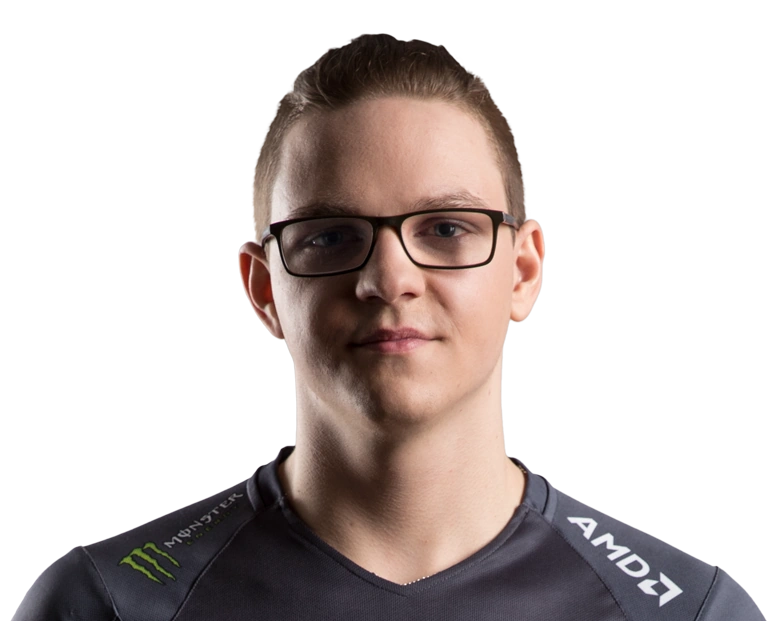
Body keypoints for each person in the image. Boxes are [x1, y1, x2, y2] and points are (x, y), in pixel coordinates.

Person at [14, 32, 764, 621]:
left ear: (523, 271)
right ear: (263, 288)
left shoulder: (685, 611)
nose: (389, 278)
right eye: (330, 236)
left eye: (446, 228)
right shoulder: (110, 604)